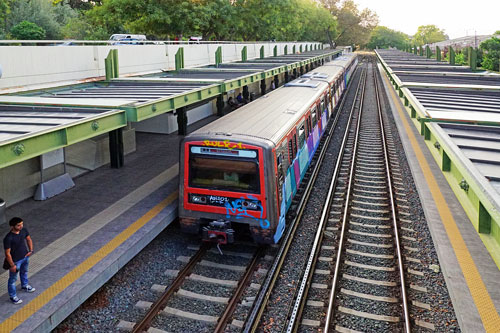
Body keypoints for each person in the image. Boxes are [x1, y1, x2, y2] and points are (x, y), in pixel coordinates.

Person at [4, 217, 35, 304]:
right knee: (13, 279)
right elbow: (7, 253)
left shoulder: (24, 230)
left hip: (25, 257)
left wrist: (31, 250)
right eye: (18, 225)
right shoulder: (8, 238)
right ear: (12, 226)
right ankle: (13, 296)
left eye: (22, 224)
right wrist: (12, 265)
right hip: (15, 261)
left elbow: (28, 239)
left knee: (24, 272)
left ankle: (24, 285)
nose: (21, 226)